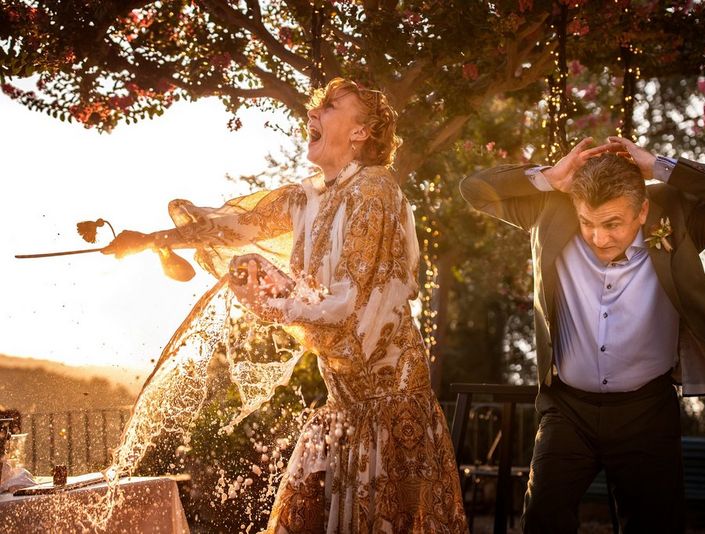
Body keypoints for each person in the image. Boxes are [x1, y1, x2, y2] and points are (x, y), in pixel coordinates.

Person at [105, 78, 468, 533]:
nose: (312, 113)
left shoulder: (376, 193)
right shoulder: (309, 196)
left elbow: (348, 307)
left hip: (389, 415)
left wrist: (275, 296)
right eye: (315, 106)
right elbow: (235, 224)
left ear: (361, 132)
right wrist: (150, 240)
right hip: (343, 407)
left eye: (330, 106)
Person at [460, 136, 705, 533]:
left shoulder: (677, 219)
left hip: (647, 412)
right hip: (567, 411)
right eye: (588, 223)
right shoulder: (549, 212)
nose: (599, 238)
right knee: (543, 519)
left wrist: (659, 167)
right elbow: (474, 189)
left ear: (643, 210)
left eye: (613, 223)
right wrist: (550, 177)